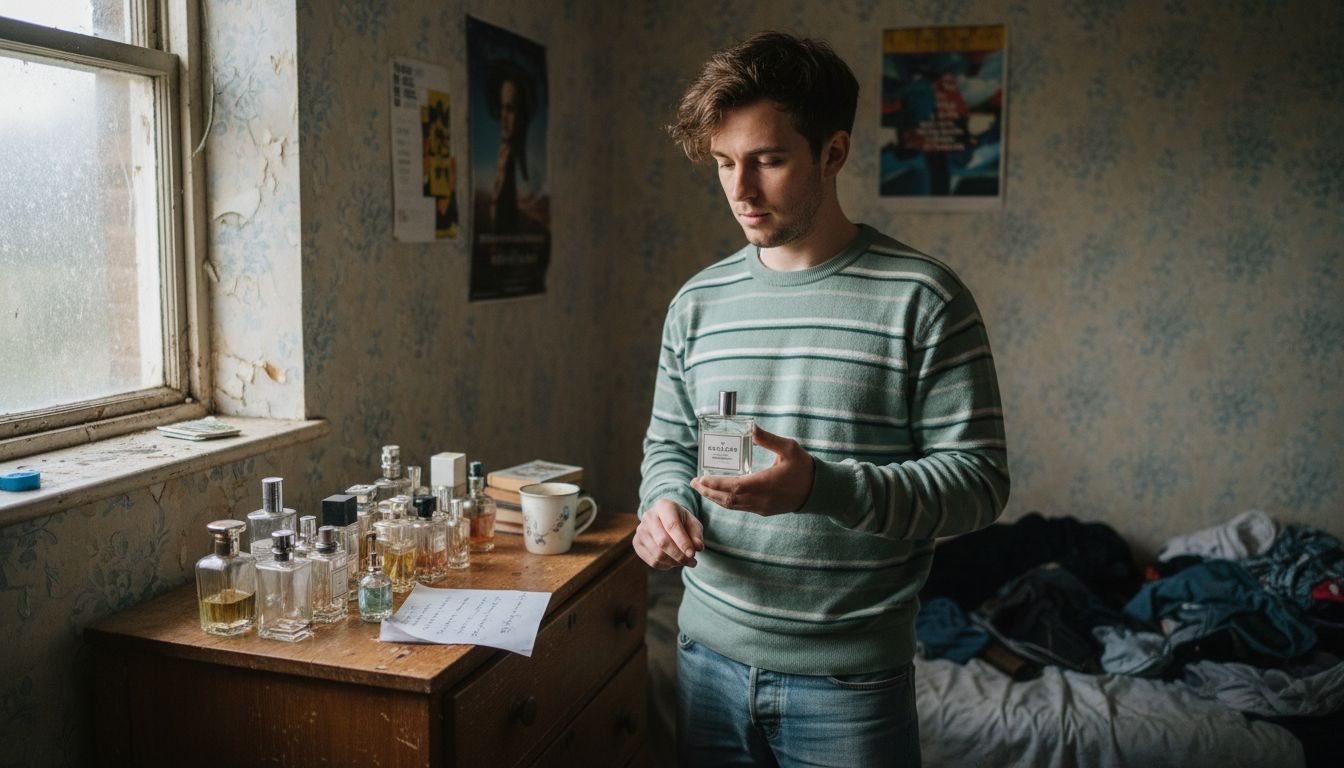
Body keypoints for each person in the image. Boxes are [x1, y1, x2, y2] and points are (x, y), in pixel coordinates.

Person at [634, 31, 1010, 767]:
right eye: (724, 163)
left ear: (832, 154)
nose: (740, 191)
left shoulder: (925, 298)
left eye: (768, 160)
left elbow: (979, 484)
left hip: (850, 683)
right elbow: (670, 445)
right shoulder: (697, 302)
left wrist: (821, 487)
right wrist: (663, 505)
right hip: (705, 660)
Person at [487, 62, 533, 233]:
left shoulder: (515, 149)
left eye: (510, 109)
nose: (503, 118)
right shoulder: (503, 149)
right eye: (502, 108)